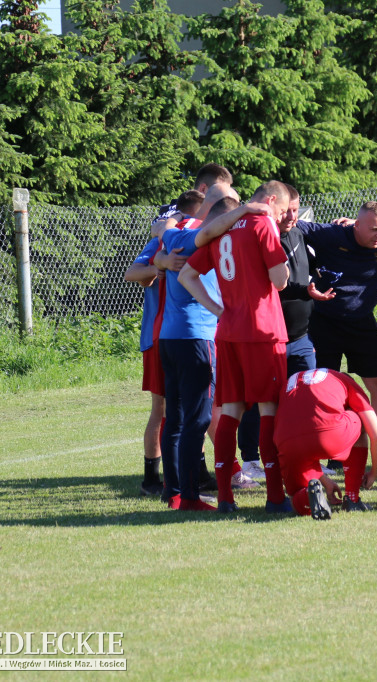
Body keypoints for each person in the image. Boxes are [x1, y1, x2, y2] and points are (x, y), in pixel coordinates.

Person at [195, 199, 377, 471]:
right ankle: (334, 452)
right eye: (372, 229)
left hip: (362, 322)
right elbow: (291, 224)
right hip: (324, 322)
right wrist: (248, 216)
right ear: (355, 225)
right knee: (323, 391)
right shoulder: (331, 234)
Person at [180, 183, 292, 513]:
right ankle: (274, 497)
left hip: (228, 331)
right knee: (269, 410)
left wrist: (218, 310)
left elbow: (187, 275)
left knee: (230, 411)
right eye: (283, 210)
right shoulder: (262, 224)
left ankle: (227, 498)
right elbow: (279, 280)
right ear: (270, 201)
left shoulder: (223, 227)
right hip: (263, 331)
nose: (283, 217)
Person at [235, 183, 334, 481]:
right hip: (269, 337)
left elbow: (307, 271)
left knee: (307, 398)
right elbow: (277, 285)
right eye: (286, 210)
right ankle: (252, 460)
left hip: (301, 338)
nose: (291, 216)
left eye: (295, 210)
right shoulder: (261, 233)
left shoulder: (300, 234)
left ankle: (310, 456)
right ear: (274, 206)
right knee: (260, 401)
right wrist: (306, 291)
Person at [156, 190, 220, 511]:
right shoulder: (201, 237)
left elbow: (161, 229)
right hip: (198, 338)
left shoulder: (176, 235)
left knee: (177, 418)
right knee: (198, 419)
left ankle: (174, 492)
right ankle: (191, 497)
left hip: (170, 338)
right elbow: (208, 231)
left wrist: (169, 227)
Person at [274, 369, 377, 519]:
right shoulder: (348, 383)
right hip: (328, 435)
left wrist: (325, 481)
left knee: (295, 498)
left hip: (287, 442)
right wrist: (374, 472)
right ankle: (352, 498)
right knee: (359, 419)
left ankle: (308, 494)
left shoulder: (293, 381)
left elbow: (304, 434)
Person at [124, 235, 167, 496]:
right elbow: (133, 273)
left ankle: (200, 473)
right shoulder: (162, 238)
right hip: (158, 337)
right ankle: (151, 480)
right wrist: (157, 268)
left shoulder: (202, 231)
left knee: (194, 410)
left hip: (187, 335)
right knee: (161, 410)